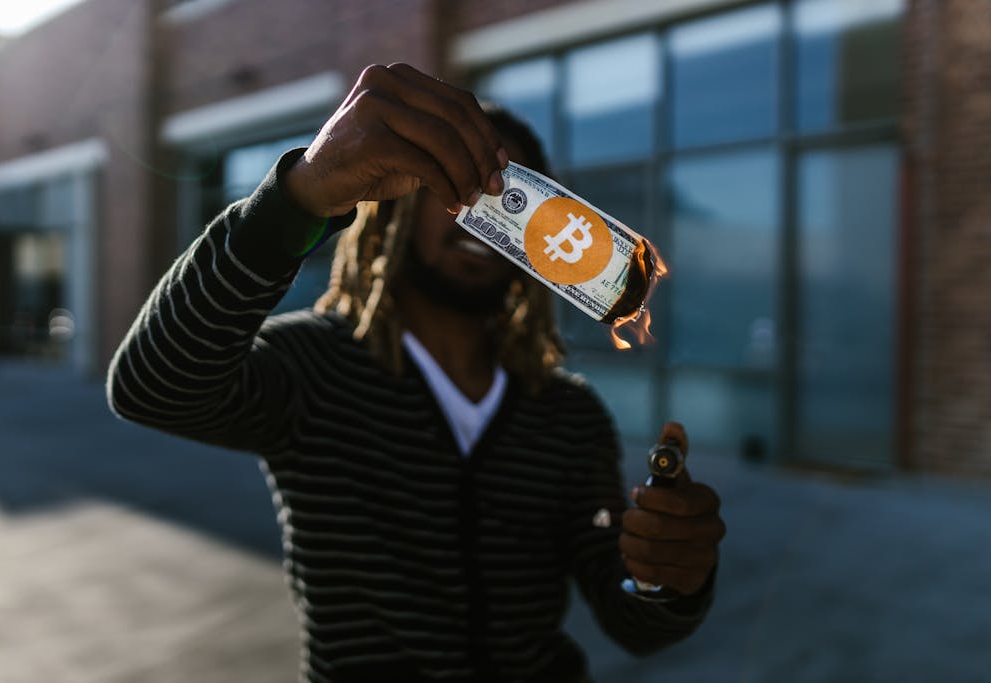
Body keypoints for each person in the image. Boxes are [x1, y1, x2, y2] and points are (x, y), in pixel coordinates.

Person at [107, 63, 725, 683]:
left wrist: (668, 578)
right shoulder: (313, 368)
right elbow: (152, 388)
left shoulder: (567, 413)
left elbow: (632, 621)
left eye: (520, 195)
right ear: (393, 207)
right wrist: (299, 196)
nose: (496, 213)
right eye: (457, 182)